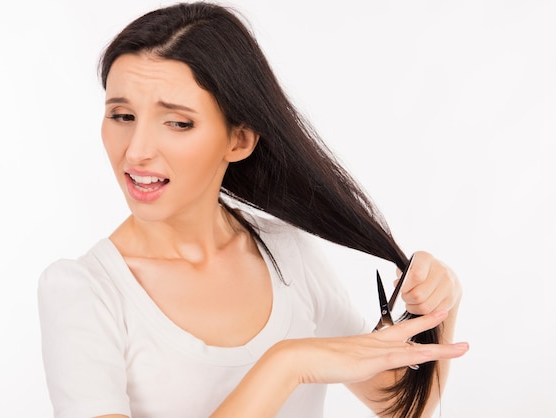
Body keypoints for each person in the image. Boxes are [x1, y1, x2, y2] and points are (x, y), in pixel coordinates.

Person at [38, 2, 467, 417]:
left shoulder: (285, 253)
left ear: (239, 140)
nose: (136, 152)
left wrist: (437, 309)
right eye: (122, 115)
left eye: (178, 122)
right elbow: (296, 364)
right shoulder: (83, 291)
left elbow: (403, 408)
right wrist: (287, 365)